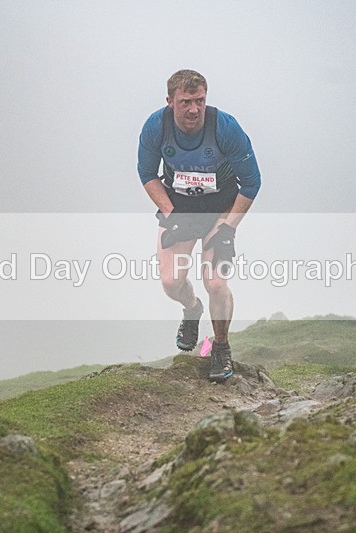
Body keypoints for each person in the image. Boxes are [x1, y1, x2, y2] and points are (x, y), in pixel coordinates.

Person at [137, 69, 261, 382]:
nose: (194, 109)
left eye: (200, 101)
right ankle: (192, 309)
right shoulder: (156, 127)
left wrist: (229, 227)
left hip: (220, 208)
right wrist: (169, 212)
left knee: (216, 283)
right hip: (179, 207)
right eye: (186, 102)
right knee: (170, 282)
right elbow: (147, 174)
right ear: (170, 102)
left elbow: (251, 182)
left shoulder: (225, 127)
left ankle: (220, 347)